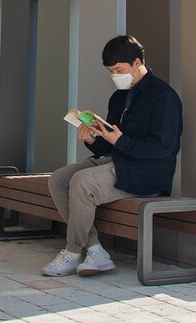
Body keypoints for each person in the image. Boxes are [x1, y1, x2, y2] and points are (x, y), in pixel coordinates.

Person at [42, 35, 182, 277]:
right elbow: (109, 148)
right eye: (110, 71)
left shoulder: (164, 96)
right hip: (117, 162)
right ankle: (95, 250)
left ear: (137, 63)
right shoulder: (119, 97)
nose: (115, 76)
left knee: (83, 183)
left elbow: (164, 148)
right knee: (59, 179)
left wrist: (120, 140)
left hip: (146, 173)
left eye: (119, 70)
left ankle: (73, 252)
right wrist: (92, 139)